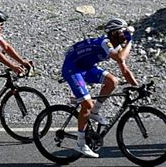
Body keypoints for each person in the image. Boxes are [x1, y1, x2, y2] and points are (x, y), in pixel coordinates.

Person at [55, 18, 140, 157]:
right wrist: (130, 42)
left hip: (87, 67)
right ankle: (80, 144)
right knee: (86, 105)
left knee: (113, 81)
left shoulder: (116, 45)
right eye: (123, 32)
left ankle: (95, 111)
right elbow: (120, 59)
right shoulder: (105, 42)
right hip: (73, 69)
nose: (125, 35)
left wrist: (137, 86)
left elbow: (125, 70)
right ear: (114, 33)